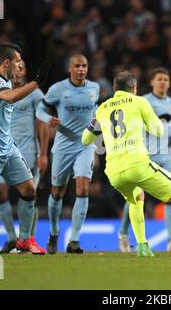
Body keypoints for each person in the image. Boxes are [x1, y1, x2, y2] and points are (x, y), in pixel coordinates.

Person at [82, 71, 171, 257]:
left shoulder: (102, 108)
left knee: (136, 198)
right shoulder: (140, 102)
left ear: (115, 89)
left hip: (114, 172)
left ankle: (142, 246)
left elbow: (85, 139)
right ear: (134, 88)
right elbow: (158, 132)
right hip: (137, 164)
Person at [0, 42, 51, 257]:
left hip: (7, 148)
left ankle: (25, 240)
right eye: (17, 61)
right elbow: (11, 97)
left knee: (29, 189)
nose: (19, 65)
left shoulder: (5, 80)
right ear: (6, 62)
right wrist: (35, 83)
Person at [36, 54, 99, 254]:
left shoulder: (94, 88)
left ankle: (74, 240)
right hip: (63, 146)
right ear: (69, 68)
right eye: (77, 66)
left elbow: (96, 111)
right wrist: (48, 118)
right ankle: (54, 233)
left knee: (82, 190)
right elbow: (39, 109)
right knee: (57, 192)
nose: (81, 69)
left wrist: (96, 127)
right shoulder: (58, 89)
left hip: (85, 145)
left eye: (84, 66)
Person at [118, 67, 171, 253]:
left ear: (169, 83)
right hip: (145, 154)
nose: (163, 82)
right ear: (152, 82)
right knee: (136, 197)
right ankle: (123, 232)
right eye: (159, 79)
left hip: (167, 155)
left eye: (166, 79)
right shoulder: (142, 101)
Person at [0, 60, 50, 254]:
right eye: (15, 68)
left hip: (27, 151)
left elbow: (43, 122)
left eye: (22, 68)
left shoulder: (34, 93)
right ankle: (12, 237)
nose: (18, 71)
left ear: (26, 71)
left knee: (28, 195)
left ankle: (26, 239)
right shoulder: (1, 92)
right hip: (2, 151)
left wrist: (43, 153)